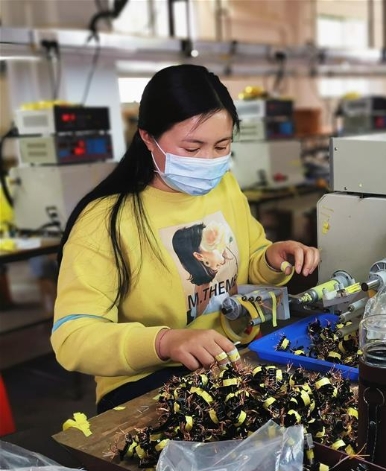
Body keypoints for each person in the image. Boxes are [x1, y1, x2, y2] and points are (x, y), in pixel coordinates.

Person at [51, 65, 319, 413]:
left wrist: (271, 259)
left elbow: (248, 263)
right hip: (146, 382)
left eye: (221, 145)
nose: (208, 161)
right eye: (193, 148)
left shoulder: (224, 186)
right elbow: (72, 337)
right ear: (148, 138)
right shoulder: (106, 219)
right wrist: (164, 342)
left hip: (229, 359)